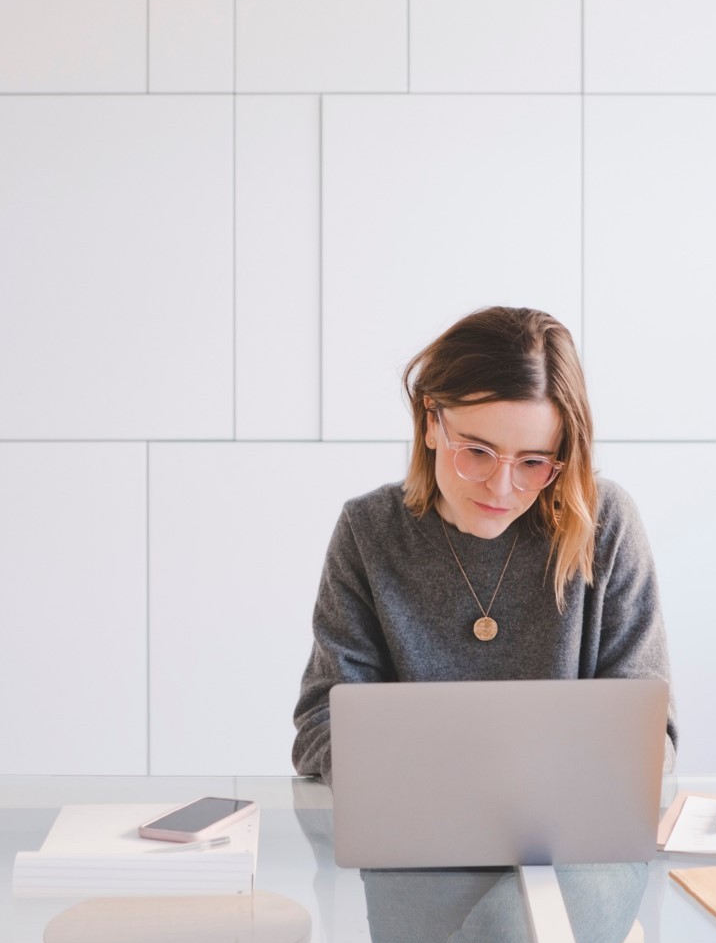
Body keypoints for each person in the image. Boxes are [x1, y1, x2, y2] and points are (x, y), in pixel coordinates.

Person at [290, 302, 677, 782]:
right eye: (477, 452)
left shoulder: (604, 524)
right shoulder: (369, 531)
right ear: (431, 422)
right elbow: (319, 729)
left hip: (570, 843)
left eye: (533, 462)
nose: (500, 487)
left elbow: (650, 739)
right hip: (415, 836)